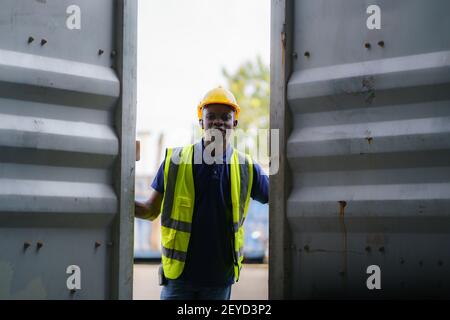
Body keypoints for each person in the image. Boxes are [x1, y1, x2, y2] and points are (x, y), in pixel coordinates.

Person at [134, 87, 269, 300]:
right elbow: (150, 210)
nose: (218, 122)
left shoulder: (247, 167)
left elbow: (278, 197)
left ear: (235, 123)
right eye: (211, 117)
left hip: (219, 279)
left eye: (225, 117)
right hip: (180, 278)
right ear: (201, 122)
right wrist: (117, 200)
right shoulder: (174, 161)